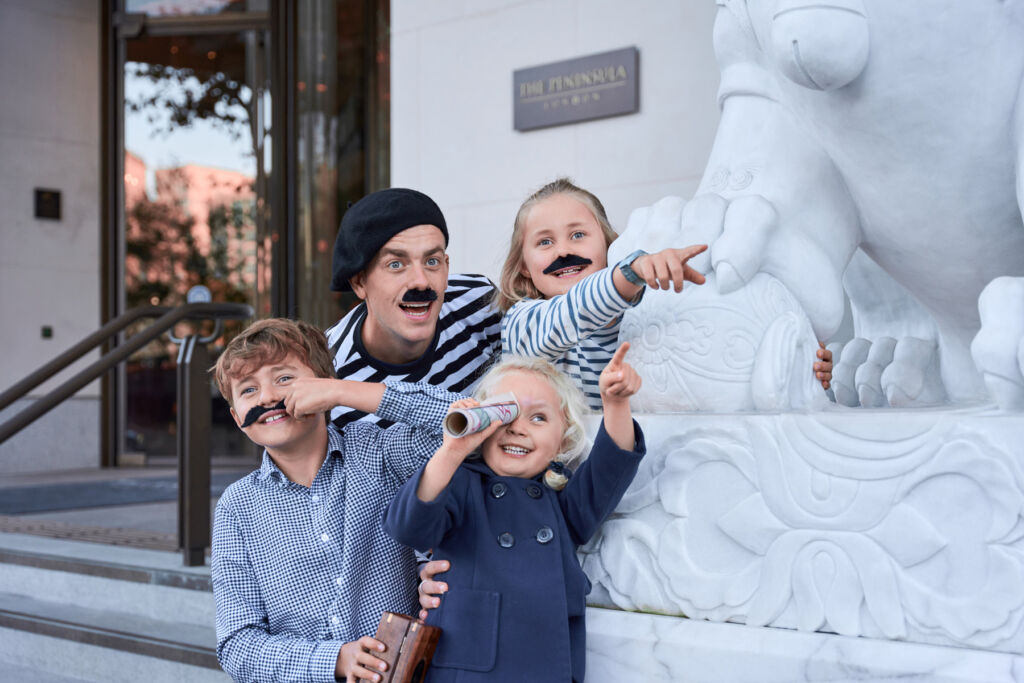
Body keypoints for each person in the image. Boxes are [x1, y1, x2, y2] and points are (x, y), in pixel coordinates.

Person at [210, 318, 464, 683]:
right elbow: (237, 646)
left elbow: (471, 421)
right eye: (248, 390)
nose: (267, 397)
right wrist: (333, 660)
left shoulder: (379, 452)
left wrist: (348, 392)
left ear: (323, 385)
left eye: (284, 379)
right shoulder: (237, 507)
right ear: (237, 418)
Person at [383, 344, 645, 682]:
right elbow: (409, 527)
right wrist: (452, 450)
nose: (519, 428)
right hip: (466, 668)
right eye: (505, 414)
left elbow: (611, 467)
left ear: (563, 442)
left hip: (545, 669)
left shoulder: (562, 501)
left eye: (539, 417)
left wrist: (616, 403)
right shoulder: (462, 484)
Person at [325, 187, 501, 429]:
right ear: (359, 282)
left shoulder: (480, 303)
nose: (421, 281)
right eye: (396, 264)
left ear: (446, 267)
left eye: (432, 262)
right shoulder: (330, 374)